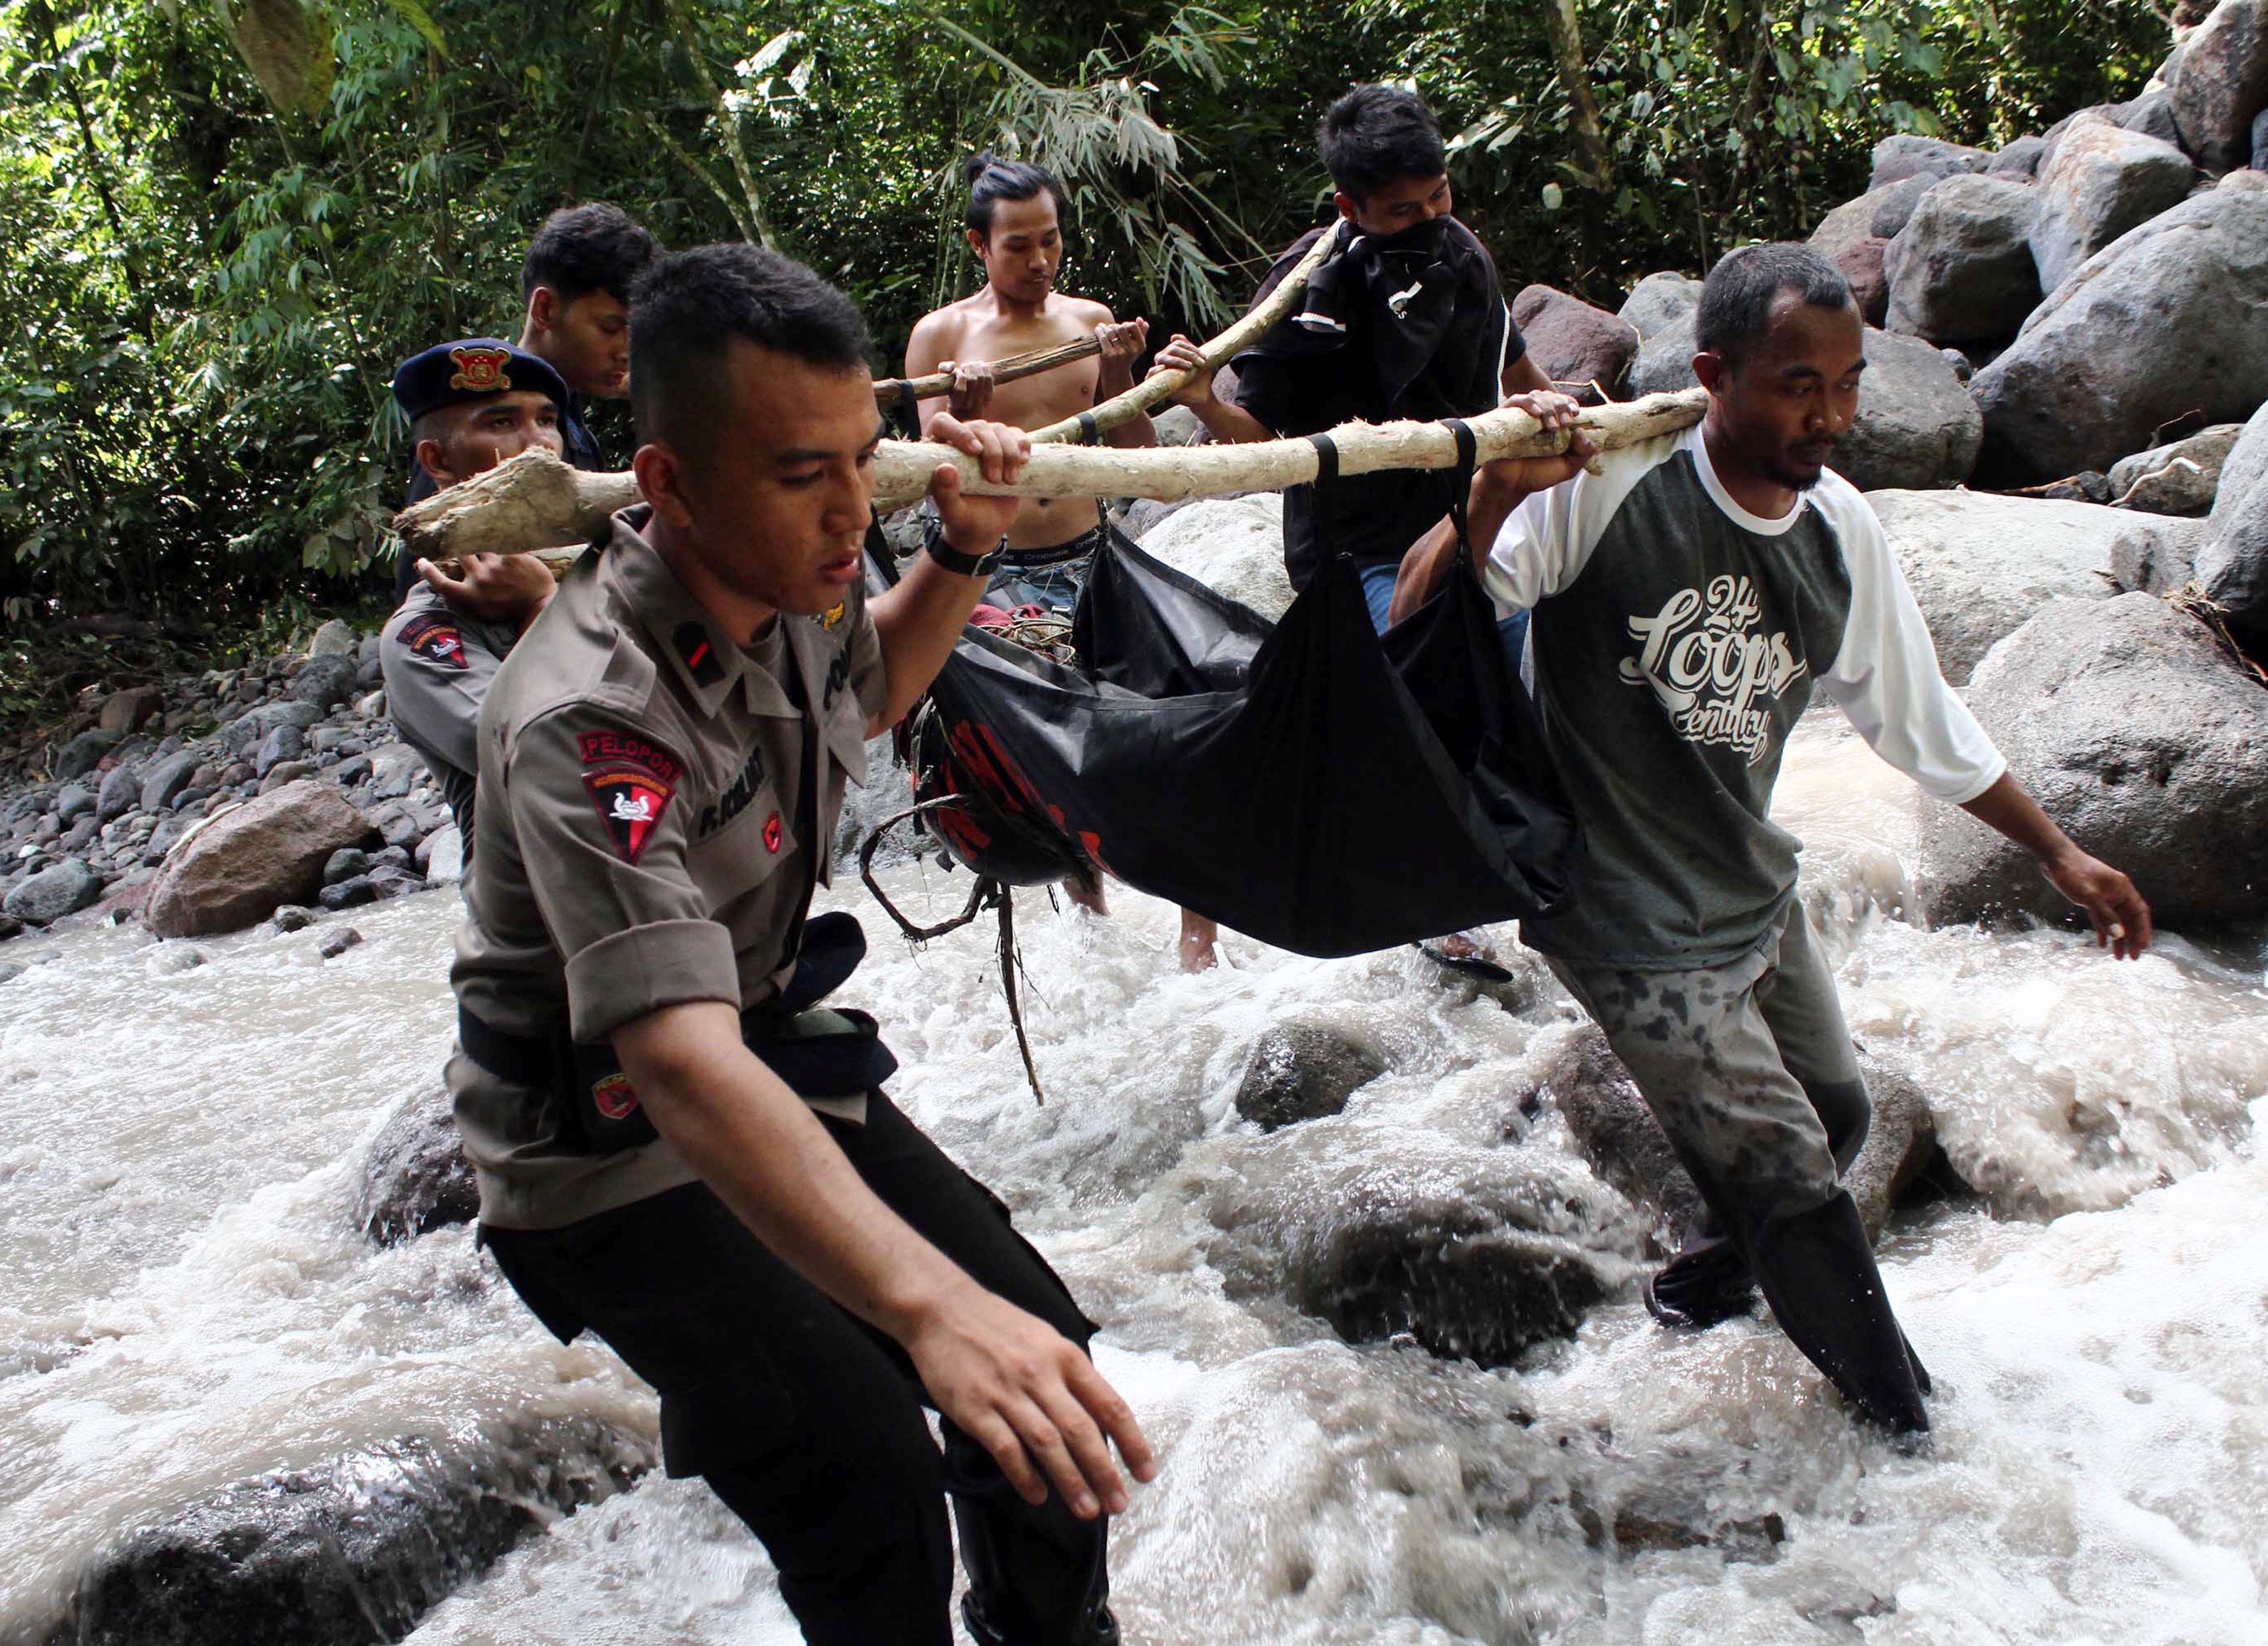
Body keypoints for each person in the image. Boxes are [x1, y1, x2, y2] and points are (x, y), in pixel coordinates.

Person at [448, 243, 1153, 1645]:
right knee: (869, 1479)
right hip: (604, 1146)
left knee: (1045, 1382)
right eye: (799, 474)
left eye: (860, 460)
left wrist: (963, 543)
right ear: (669, 487)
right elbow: (676, 1064)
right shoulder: (590, 714)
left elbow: (872, 682)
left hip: (765, 1052)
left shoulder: (789, 581)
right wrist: (927, 1311)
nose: (849, 511)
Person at [1390, 242, 2154, 1434]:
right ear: (1715, 375)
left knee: (1841, 1116)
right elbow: (1422, 611)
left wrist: (2058, 851)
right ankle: (1910, 1435)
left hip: (1745, 887)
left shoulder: (1839, 532)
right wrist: (1497, 488)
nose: (1834, 415)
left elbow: (1921, 717)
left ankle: (1703, 1281)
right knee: (1797, 1179)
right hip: (1619, 912)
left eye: (1849, 383)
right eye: (1802, 385)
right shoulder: (1613, 483)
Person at [906, 154, 1222, 971]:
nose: (1040, 261)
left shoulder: (1088, 319)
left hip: (1098, 560)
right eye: (1019, 246)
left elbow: (1139, 457)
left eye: (1050, 241)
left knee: (1181, 728)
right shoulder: (941, 338)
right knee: (1053, 755)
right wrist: (964, 414)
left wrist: (1119, 369)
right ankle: (1093, 923)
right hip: (1002, 580)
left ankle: (1201, 939)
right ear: (980, 244)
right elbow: (932, 473)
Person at [1153, 84, 1557, 665]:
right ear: (1350, 207)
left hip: (1469, 526)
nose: (1430, 219)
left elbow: (1516, 368)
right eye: (1403, 210)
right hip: (1358, 552)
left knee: (1511, 681)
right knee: (1414, 691)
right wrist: (1204, 404)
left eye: (1438, 196)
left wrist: (1567, 418)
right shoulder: (1310, 286)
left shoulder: (1464, 257)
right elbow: (1266, 439)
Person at [378, 338, 572, 852]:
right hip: (550, 916)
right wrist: (541, 607)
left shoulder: (610, 566)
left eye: (548, 420)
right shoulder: (422, 631)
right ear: (437, 459)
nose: (540, 445)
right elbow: (549, 762)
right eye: (502, 424)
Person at [402, 201, 662, 506]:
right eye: (610, 328)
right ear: (545, 309)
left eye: (636, 331)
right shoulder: (465, 417)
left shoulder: (574, 429)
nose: (627, 350)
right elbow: (433, 538)